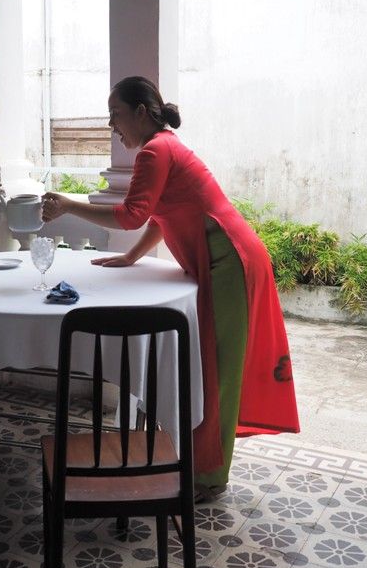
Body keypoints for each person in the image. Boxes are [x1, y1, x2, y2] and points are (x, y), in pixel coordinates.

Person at [42, 76, 300, 501]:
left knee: (217, 374)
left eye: (116, 114)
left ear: (141, 112)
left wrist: (69, 205)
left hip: (230, 263)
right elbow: (163, 214)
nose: (111, 125)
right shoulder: (163, 147)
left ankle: (208, 478)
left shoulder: (156, 150)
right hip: (225, 260)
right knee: (209, 369)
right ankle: (198, 466)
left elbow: (132, 215)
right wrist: (131, 256)